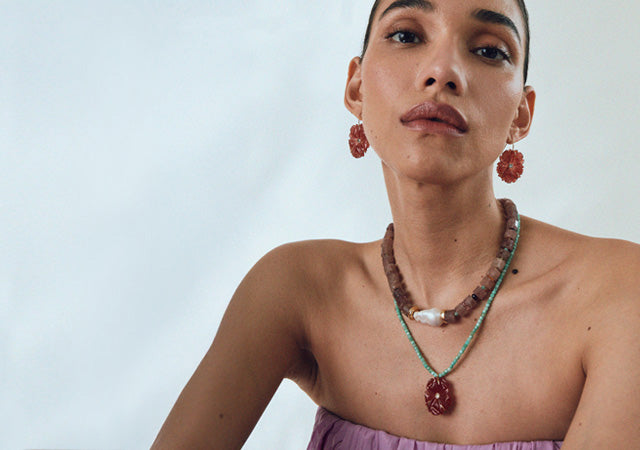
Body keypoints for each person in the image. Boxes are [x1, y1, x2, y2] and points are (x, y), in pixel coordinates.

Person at [151, 0, 640, 448]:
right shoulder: (298, 290)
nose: (443, 71)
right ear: (356, 87)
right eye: (407, 36)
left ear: (522, 113)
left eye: (489, 50)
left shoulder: (618, 292)